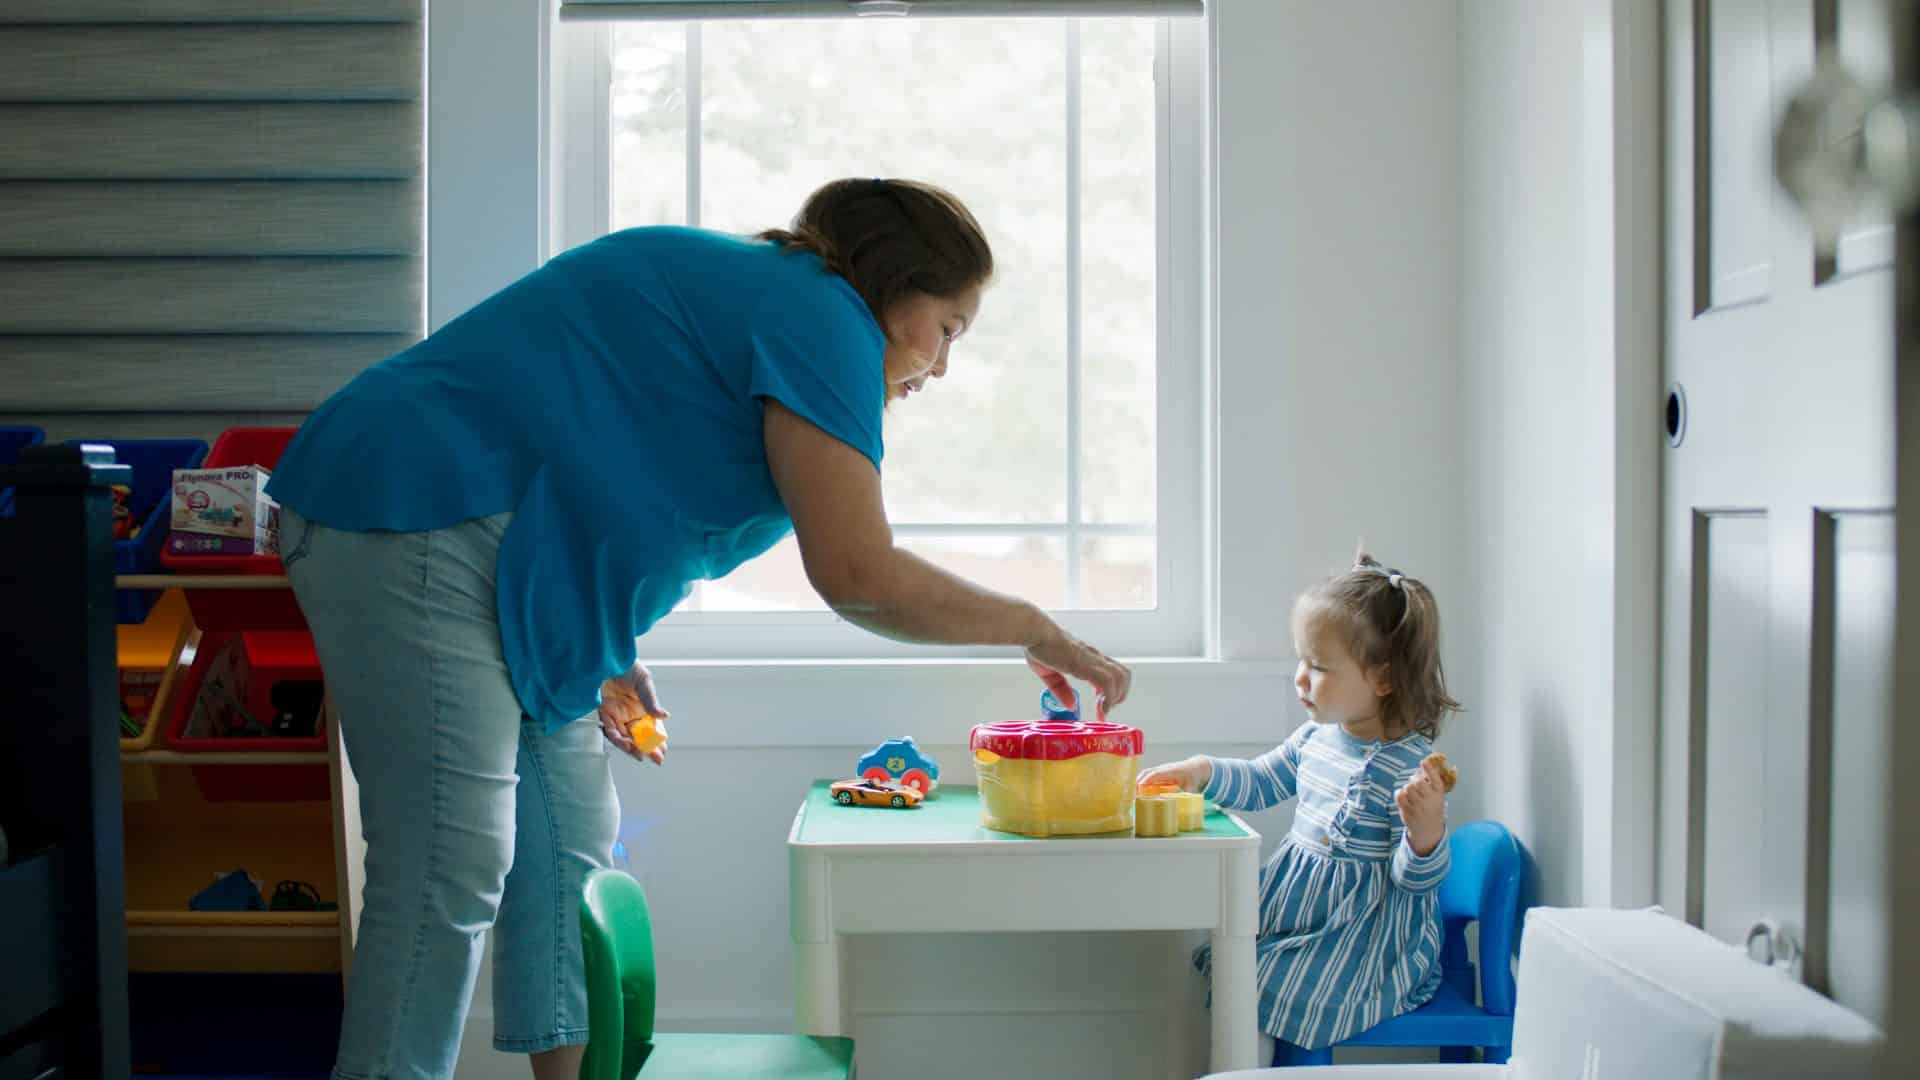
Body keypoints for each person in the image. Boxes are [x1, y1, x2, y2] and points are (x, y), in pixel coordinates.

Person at [264, 177, 1133, 1079]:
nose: (943, 366)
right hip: (411, 504)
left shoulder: (779, 311)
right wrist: (1032, 624)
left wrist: (603, 641)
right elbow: (858, 574)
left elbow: (614, 453)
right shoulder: (821, 312)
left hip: (509, 559)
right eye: (948, 328)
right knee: (453, 853)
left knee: (569, 851)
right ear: (894, 284)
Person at [1135, 551, 1459, 1066]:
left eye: (1320, 666)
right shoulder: (1318, 738)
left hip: (1364, 939)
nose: (1301, 678)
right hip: (1302, 919)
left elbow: (1417, 883)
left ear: (1383, 678)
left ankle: (1270, 1072)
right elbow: (1264, 781)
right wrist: (1202, 772)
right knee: (1230, 960)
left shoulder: (1409, 768)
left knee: (1263, 982)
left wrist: (1425, 833)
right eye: (1300, 660)